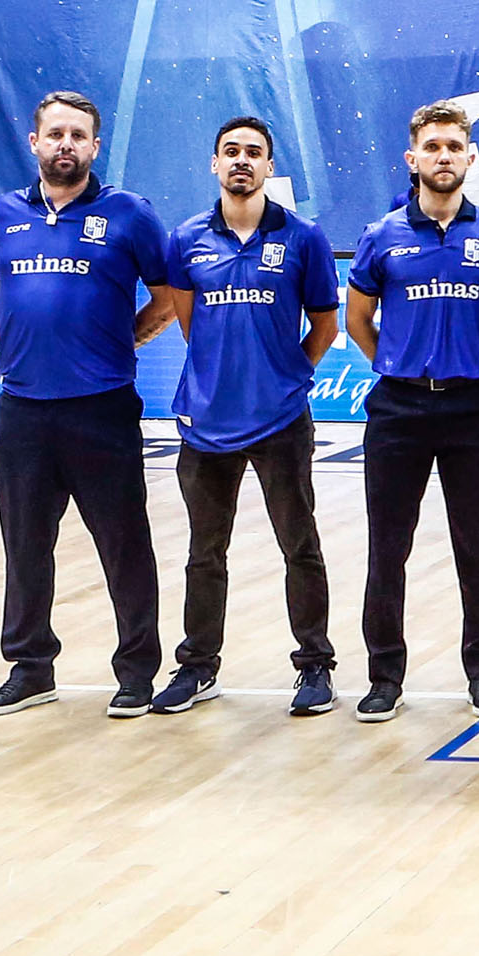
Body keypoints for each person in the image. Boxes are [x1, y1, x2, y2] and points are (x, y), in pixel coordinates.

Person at [0, 90, 177, 718]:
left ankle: (137, 672)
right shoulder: (6, 212)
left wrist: (127, 336)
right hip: (23, 412)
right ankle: (31, 668)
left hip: (101, 409)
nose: (66, 145)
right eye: (55, 134)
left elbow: (168, 297)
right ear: (35, 143)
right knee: (24, 545)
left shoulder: (129, 214)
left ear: (95, 146)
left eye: (78, 136)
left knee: (123, 544)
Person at [347, 100, 479, 723]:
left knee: (475, 548)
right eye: (432, 147)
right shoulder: (381, 235)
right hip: (398, 409)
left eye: (455, 146)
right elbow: (356, 320)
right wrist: (398, 362)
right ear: (413, 157)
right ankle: (383, 677)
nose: (444, 156)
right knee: (387, 548)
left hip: (471, 410)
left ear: (470, 155)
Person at [151, 116, 342, 719]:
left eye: (253, 153)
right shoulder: (185, 240)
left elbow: (327, 325)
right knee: (204, 552)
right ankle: (197, 666)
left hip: (282, 418)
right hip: (206, 423)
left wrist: (288, 373)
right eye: (230, 151)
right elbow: (190, 324)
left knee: (299, 546)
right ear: (215, 164)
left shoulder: (304, 237)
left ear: (268, 167)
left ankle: (314, 667)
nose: (241, 161)